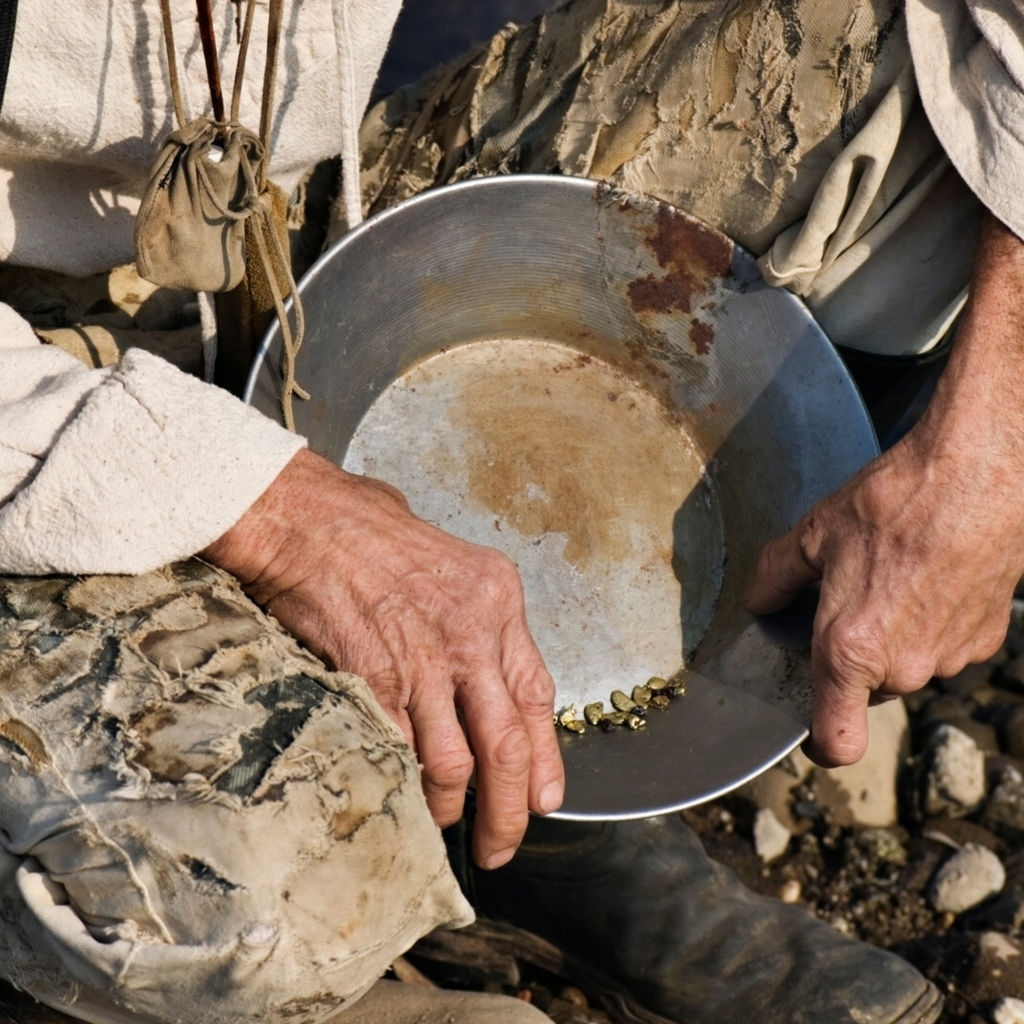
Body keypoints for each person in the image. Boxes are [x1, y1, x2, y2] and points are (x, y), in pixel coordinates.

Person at [0, 0, 1019, 1021]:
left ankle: (557, 822)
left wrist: (986, 452)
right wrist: (271, 511)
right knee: (219, 901)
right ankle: (345, 952)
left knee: (911, 67)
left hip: (317, 176)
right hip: (42, 365)